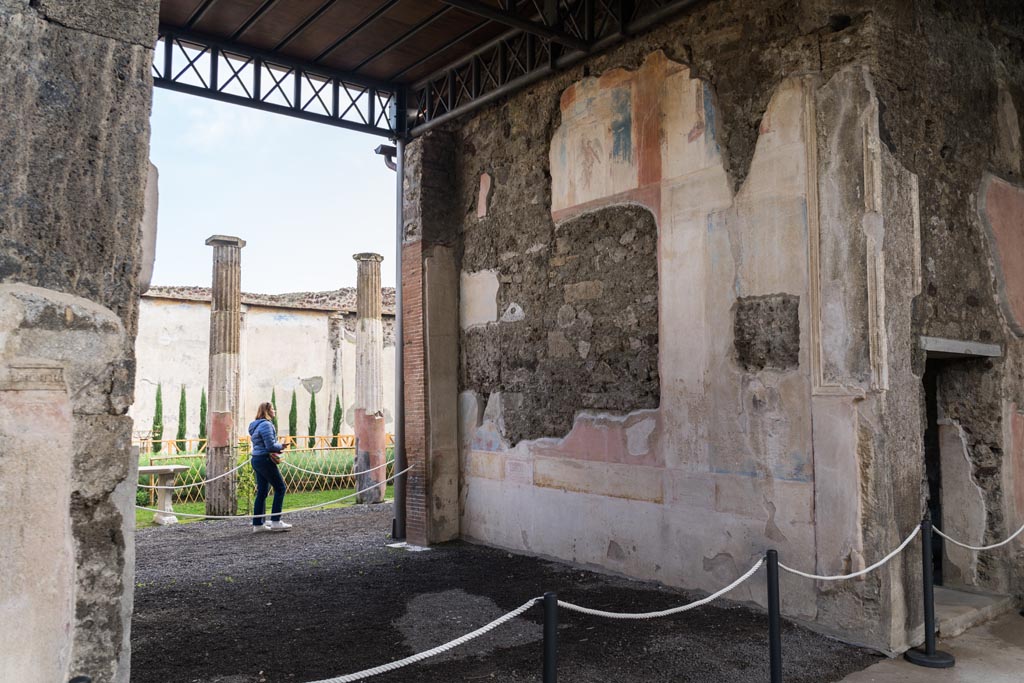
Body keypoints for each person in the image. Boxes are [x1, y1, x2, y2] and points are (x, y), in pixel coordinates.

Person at [248, 402, 292, 532]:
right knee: (280, 488)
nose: (275, 410)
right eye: (272, 408)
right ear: (267, 411)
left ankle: (258, 524)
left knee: (262, 491)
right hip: (265, 459)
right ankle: (276, 521)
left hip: (256, 459)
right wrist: (281, 446)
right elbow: (270, 446)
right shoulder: (266, 425)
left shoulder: (254, 425)